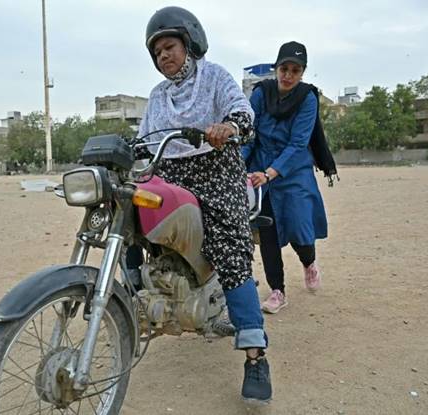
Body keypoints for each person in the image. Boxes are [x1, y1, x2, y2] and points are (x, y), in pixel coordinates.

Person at [133, 6, 272, 403]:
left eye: (170, 46)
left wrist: (228, 127)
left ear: (190, 43)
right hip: (169, 174)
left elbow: (243, 111)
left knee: (229, 251)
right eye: (157, 51)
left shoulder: (214, 76)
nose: (164, 55)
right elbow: (144, 140)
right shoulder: (157, 96)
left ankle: (255, 354)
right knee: (128, 219)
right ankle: (127, 305)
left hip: (217, 171)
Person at [242, 41, 328, 314]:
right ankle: (277, 291)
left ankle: (309, 262)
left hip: (293, 170)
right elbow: (248, 134)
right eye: (284, 68)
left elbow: (298, 143)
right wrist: (238, 164)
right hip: (259, 169)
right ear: (276, 68)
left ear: (302, 72)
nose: (288, 75)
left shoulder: (308, 98)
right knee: (267, 230)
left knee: (300, 230)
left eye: (295, 70)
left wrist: (272, 173)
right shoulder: (260, 93)